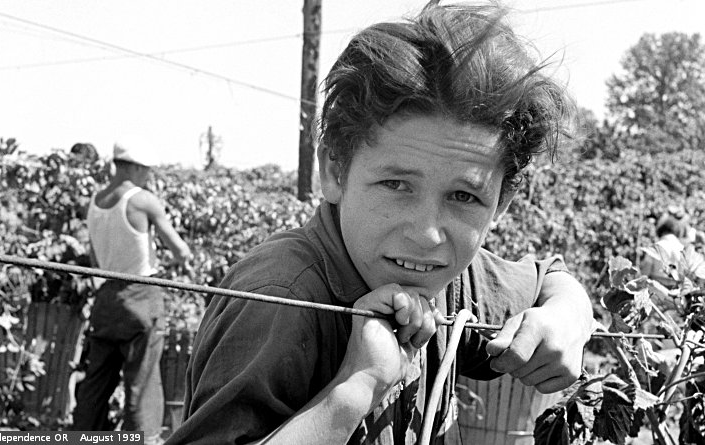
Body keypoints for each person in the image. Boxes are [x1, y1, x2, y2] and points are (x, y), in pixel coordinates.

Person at [166, 3, 593, 444]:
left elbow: (549, 279)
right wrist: (356, 388)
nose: (426, 234)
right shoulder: (279, 300)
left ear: (501, 203)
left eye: (464, 197)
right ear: (335, 170)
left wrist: (569, 313)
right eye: (396, 185)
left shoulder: (449, 277)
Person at [72, 139, 192, 444]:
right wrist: (178, 260)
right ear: (135, 168)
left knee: (97, 381)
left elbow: (96, 260)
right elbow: (181, 251)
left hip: (106, 298)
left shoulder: (96, 201)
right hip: (141, 296)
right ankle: (144, 440)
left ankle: (83, 438)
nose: (148, 176)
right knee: (143, 382)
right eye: (146, 170)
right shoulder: (143, 200)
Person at [640, 212, 688, 288]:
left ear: (661, 231)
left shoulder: (656, 247)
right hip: (677, 289)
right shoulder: (683, 248)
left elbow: (645, 272)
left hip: (656, 288)